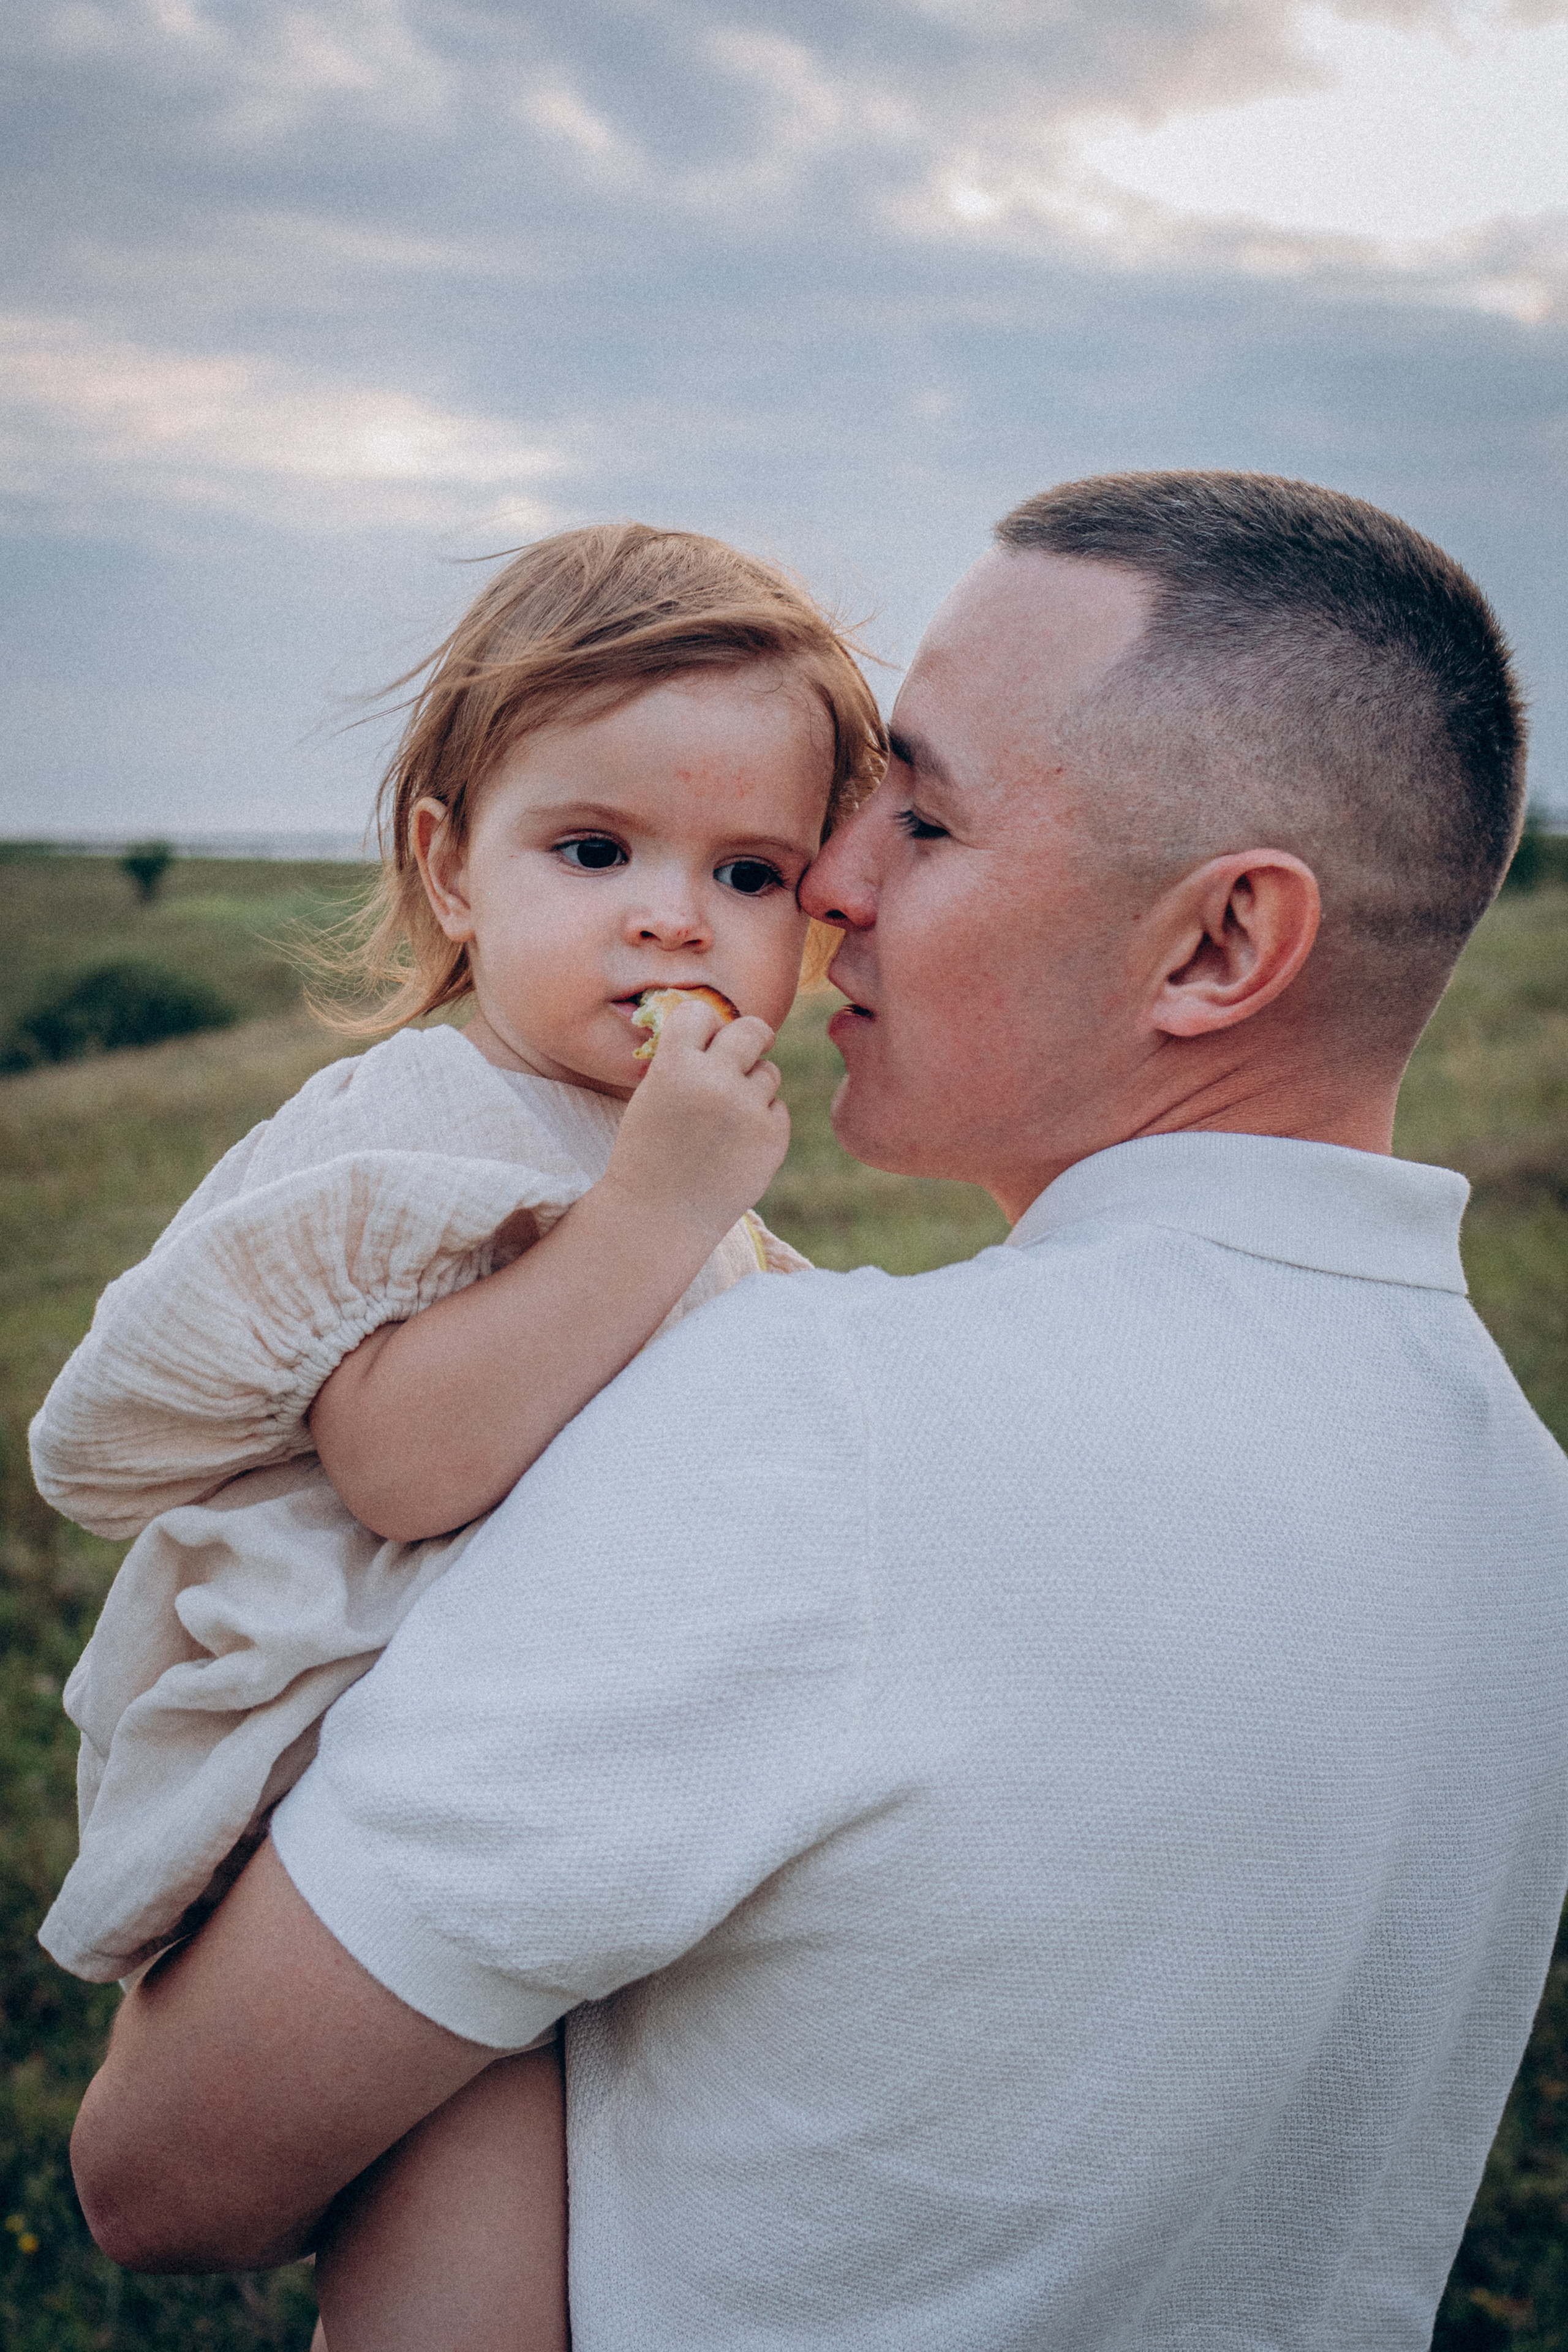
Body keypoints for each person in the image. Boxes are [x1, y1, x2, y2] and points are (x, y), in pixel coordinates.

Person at [71, 473, 1568, 2351]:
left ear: (1214, 949)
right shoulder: (1531, 1531)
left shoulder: (811, 1425)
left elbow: (161, 2172)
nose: (836, 879)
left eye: (921, 814)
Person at [31, 522, 883, 2347]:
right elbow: (402, 1465)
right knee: (468, 2193)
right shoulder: (433, 1118)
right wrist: (658, 1212)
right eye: (595, 851)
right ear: (453, 869)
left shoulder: (653, 1142)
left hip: (564, 1753)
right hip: (355, 1767)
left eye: (749, 871)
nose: (672, 917)